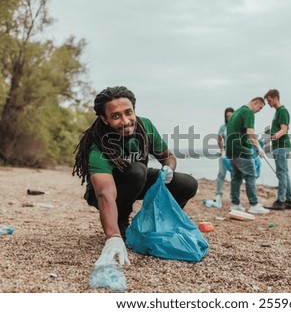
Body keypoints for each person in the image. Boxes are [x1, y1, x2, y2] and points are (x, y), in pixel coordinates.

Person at [72, 86, 198, 265]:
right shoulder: (98, 143)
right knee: (138, 170)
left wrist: (169, 168)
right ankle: (121, 223)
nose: (125, 121)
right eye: (116, 116)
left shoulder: (144, 126)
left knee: (187, 184)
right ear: (104, 119)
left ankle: (161, 224)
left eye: (128, 112)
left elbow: (168, 156)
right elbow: (105, 193)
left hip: (136, 180)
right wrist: (112, 236)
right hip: (105, 193)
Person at [225, 97, 270, 214]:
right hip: (242, 150)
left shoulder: (236, 113)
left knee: (236, 177)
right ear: (256, 103)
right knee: (251, 176)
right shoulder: (248, 112)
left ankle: (235, 204)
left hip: (231, 152)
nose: (258, 111)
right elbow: (249, 131)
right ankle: (254, 204)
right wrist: (258, 148)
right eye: (259, 108)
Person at [264, 89, 291, 210]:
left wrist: (271, 137)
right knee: (284, 172)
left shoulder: (282, 111)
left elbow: (283, 130)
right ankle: (289, 200)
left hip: (281, 146)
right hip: (279, 146)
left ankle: (281, 201)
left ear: (275, 98)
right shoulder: (278, 112)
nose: (268, 103)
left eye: (269, 100)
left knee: (281, 173)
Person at [213, 107, 234, 207]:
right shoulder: (223, 127)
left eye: (231, 116)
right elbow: (219, 139)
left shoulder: (237, 127)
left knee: (235, 174)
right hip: (225, 152)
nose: (229, 118)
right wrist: (222, 150)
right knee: (221, 173)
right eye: (227, 116)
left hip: (235, 153)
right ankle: (218, 194)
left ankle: (234, 196)